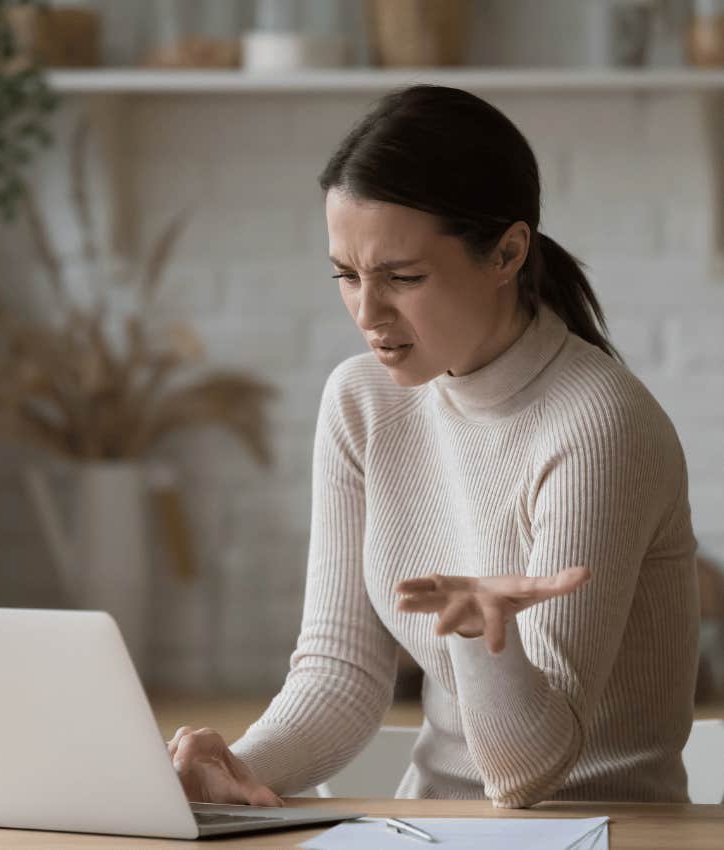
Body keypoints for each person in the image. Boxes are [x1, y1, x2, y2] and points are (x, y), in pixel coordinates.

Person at [167, 85, 699, 809]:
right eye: (346, 276)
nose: (367, 312)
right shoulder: (363, 402)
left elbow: (529, 773)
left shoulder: (598, 424)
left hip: (605, 827)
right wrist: (236, 773)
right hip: (427, 824)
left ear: (507, 252)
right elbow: (340, 676)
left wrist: (485, 643)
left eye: (402, 278)